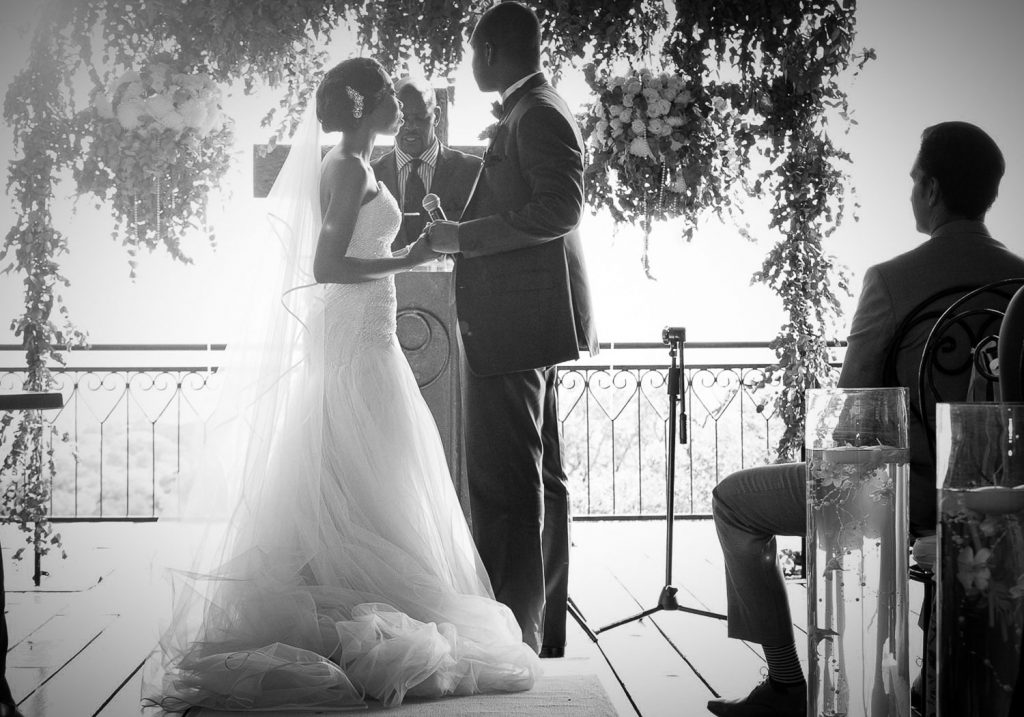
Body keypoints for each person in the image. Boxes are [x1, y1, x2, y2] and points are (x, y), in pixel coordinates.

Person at [141, 57, 538, 712]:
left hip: (368, 340)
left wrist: (409, 240)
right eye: (389, 95)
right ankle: (351, 612)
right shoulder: (348, 168)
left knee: (369, 479)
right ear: (364, 105)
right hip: (355, 347)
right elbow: (326, 262)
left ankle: (356, 600)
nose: (400, 107)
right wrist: (408, 255)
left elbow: (353, 245)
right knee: (360, 472)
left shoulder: (360, 166)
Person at [707, 121, 1024, 717]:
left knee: (734, 502)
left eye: (911, 181)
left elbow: (854, 413)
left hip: (899, 496)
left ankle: (784, 684)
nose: (909, 192)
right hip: (996, 499)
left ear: (930, 188)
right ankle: (939, 682)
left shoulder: (892, 280)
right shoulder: (1022, 285)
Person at [425, 1, 599, 658]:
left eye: (473, 52)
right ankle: (537, 632)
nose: (471, 63)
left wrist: (463, 238)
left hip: (513, 329)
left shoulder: (539, 113)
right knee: (538, 479)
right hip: (526, 324)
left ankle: (512, 637)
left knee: (504, 486)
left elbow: (559, 208)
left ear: (492, 51)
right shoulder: (533, 111)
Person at [370, 75, 480, 252]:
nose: (410, 126)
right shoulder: (370, 175)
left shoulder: (473, 171)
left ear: (436, 116)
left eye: (420, 118)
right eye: (402, 118)